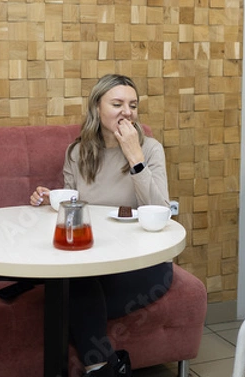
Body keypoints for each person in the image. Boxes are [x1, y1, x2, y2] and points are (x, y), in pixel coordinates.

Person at [30, 74, 173, 377]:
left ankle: (105, 367)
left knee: (71, 298)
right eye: (117, 103)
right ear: (97, 108)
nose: (127, 112)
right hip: (94, 262)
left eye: (133, 105)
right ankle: (107, 367)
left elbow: (160, 212)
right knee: (72, 287)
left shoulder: (150, 150)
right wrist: (49, 201)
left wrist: (134, 157)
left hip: (143, 264)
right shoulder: (78, 152)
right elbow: (73, 213)